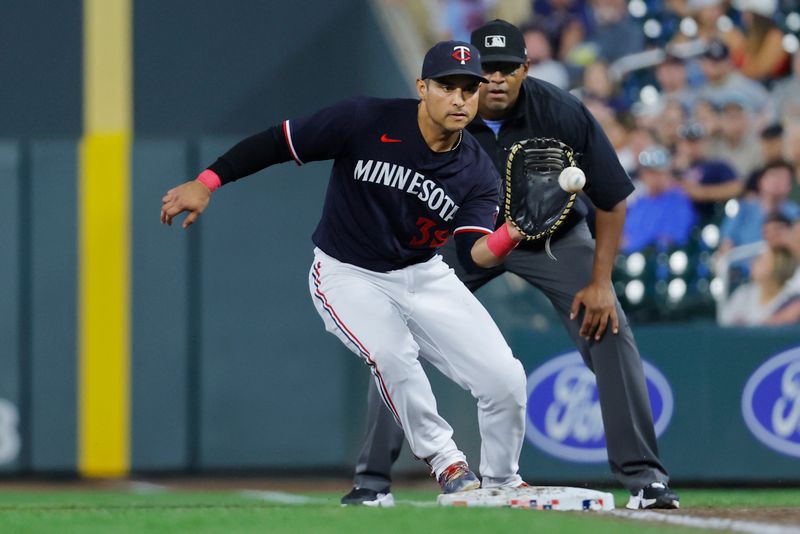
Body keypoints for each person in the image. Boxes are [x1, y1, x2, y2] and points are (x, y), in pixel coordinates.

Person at [160, 40, 531, 497]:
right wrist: (207, 181)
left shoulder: (477, 170)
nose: (459, 99)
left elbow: (474, 250)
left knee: (505, 378)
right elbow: (279, 142)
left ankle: (501, 483)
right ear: (422, 87)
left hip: (423, 273)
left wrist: (511, 233)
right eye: (447, 86)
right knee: (393, 355)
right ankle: (448, 462)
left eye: (469, 89)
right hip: (348, 272)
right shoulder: (365, 119)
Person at [341, 19, 680, 510]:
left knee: (608, 329)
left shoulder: (561, 111)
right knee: (399, 338)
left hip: (552, 238)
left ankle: (646, 480)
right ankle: (372, 482)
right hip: (464, 239)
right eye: (487, 70)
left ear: (526, 68)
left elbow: (612, 199)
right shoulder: (442, 113)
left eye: (506, 68)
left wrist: (602, 281)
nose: (496, 79)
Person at [622, 145, 696, 253]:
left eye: (659, 172)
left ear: (668, 173)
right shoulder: (639, 202)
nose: (654, 177)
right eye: (649, 172)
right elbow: (625, 237)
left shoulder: (678, 201)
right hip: (630, 260)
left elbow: (670, 240)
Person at [718, 245, 800, 326]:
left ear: (776, 266)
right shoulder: (743, 294)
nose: (752, 263)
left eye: (760, 259)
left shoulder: (791, 300)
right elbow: (724, 327)